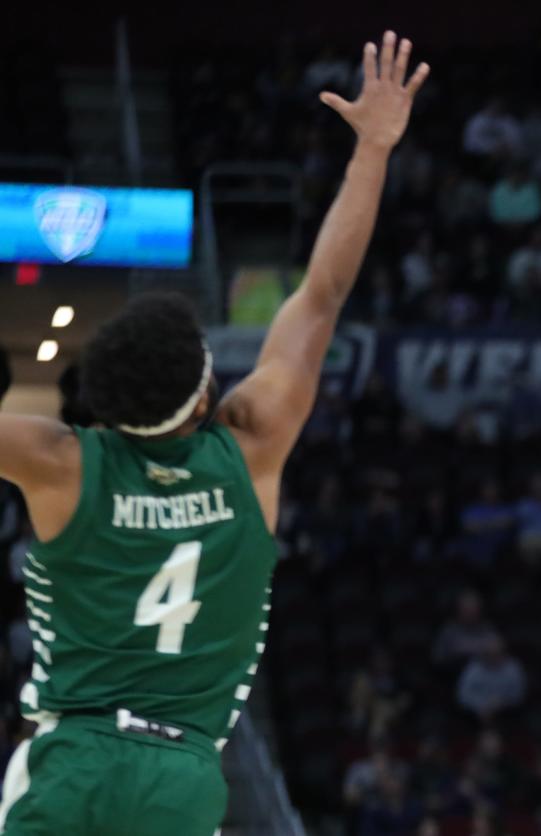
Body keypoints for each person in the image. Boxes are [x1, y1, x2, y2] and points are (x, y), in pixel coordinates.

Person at [0, 31, 429, 836]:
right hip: (183, 774)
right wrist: (373, 149)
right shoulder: (254, 443)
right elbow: (324, 293)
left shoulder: (61, 463)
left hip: (72, 761)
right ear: (204, 397)